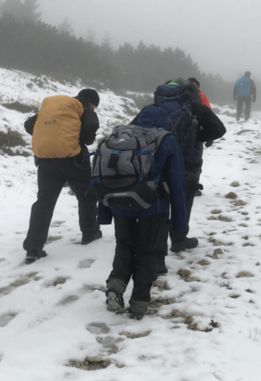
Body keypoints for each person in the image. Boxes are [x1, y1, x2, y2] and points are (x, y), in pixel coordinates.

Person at [99, 106, 187, 320]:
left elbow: (102, 176)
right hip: (152, 206)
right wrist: (180, 222)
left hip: (119, 203)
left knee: (124, 246)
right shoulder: (165, 139)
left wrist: (104, 212)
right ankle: (138, 304)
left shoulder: (118, 137)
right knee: (147, 251)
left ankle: (116, 286)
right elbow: (177, 182)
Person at [131, 79, 226, 274]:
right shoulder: (196, 109)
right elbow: (219, 129)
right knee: (183, 201)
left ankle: (157, 260)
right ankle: (179, 239)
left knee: (159, 208)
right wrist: (195, 139)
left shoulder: (152, 108)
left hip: (158, 162)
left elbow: (134, 130)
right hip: (187, 163)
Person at [22, 89, 101, 264]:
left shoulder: (58, 109)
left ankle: (33, 248)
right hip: (73, 160)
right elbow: (91, 126)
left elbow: (29, 124)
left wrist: (49, 137)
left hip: (46, 162)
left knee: (44, 202)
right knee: (87, 195)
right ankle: (90, 233)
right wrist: (79, 139)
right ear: (92, 103)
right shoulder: (83, 109)